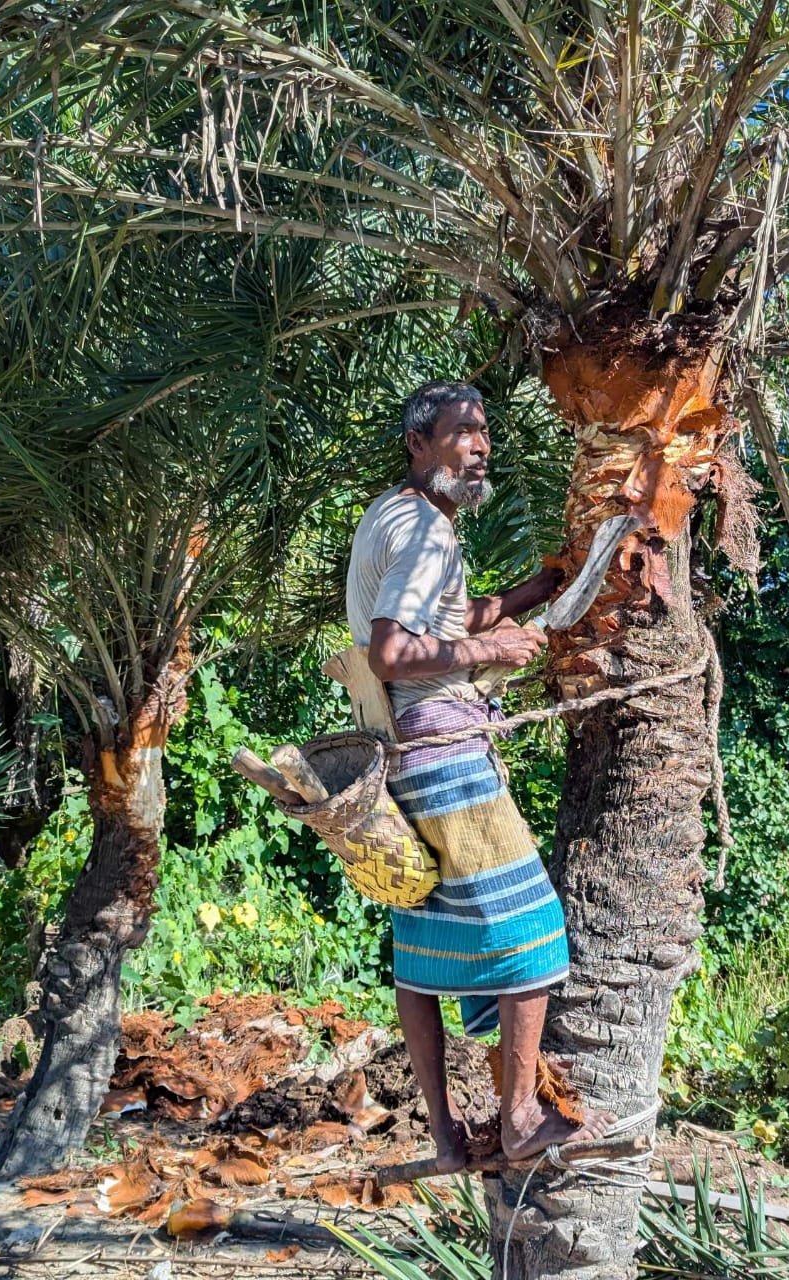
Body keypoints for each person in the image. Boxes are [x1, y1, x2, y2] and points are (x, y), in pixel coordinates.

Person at [346, 380, 614, 1170]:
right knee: (531, 935)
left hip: (399, 758)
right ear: (418, 444)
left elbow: (438, 622)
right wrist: (488, 654)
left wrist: (534, 592)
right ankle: (522, 1114)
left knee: (422, 950)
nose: (481, 443)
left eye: (485, 430)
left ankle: (445, 1134)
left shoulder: (388, 516)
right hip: (447, 761)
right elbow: (392, 654)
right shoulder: (425, 529)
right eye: (462, 431)